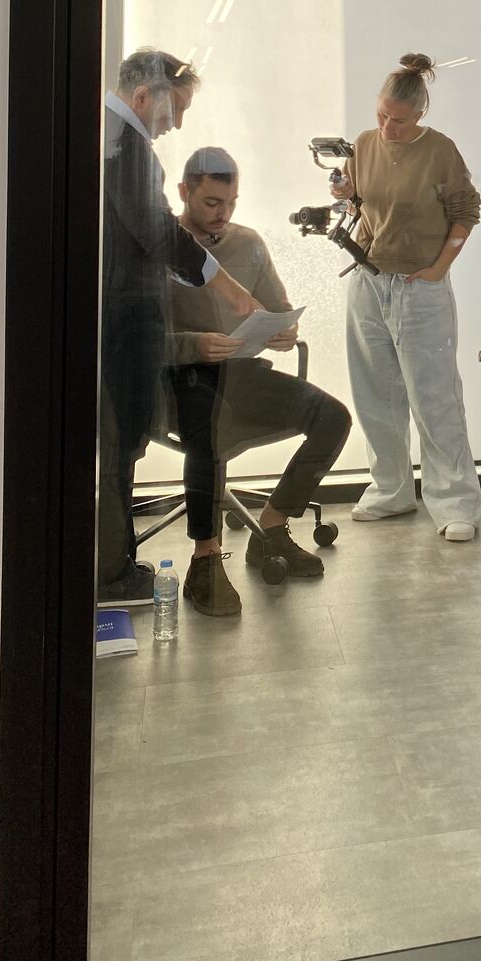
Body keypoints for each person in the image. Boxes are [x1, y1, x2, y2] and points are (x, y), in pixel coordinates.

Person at [100, 50, 260, 607]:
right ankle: (111, 573)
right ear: (146, 97)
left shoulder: (107, 138)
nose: (178, 124)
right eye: (177, 109)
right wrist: (226, 286)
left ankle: (114, 563)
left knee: (119, 445)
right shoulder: (125, 149)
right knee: (119, 446)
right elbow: (159, 233)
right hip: (124, 323)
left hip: (121, 319)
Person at [167, 147, 353, 618]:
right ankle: (205, 560)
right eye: (211, 203)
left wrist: (282, 333)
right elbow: (140, 339)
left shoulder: (248, 242)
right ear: (184, 192)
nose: (223, 214)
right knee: (208, 428)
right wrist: (196, 345)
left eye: (231, 203)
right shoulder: (163, 245)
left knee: (333, 417)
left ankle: (271, 527)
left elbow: (274, 307)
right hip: (181, 377)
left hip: (242, 372)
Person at [333, 54, 481, 541]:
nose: (386, 127)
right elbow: (360, 199)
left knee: (434, 398)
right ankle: (390, 489)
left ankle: (455, 501)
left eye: (397, 119)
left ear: (419, 113)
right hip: (369, 280)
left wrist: (439, 269)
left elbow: (466, 210)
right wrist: (342, 189)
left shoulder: (440, 151)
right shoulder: (363, 144)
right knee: (375, 394)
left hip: (421, 288)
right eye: (381, 114)